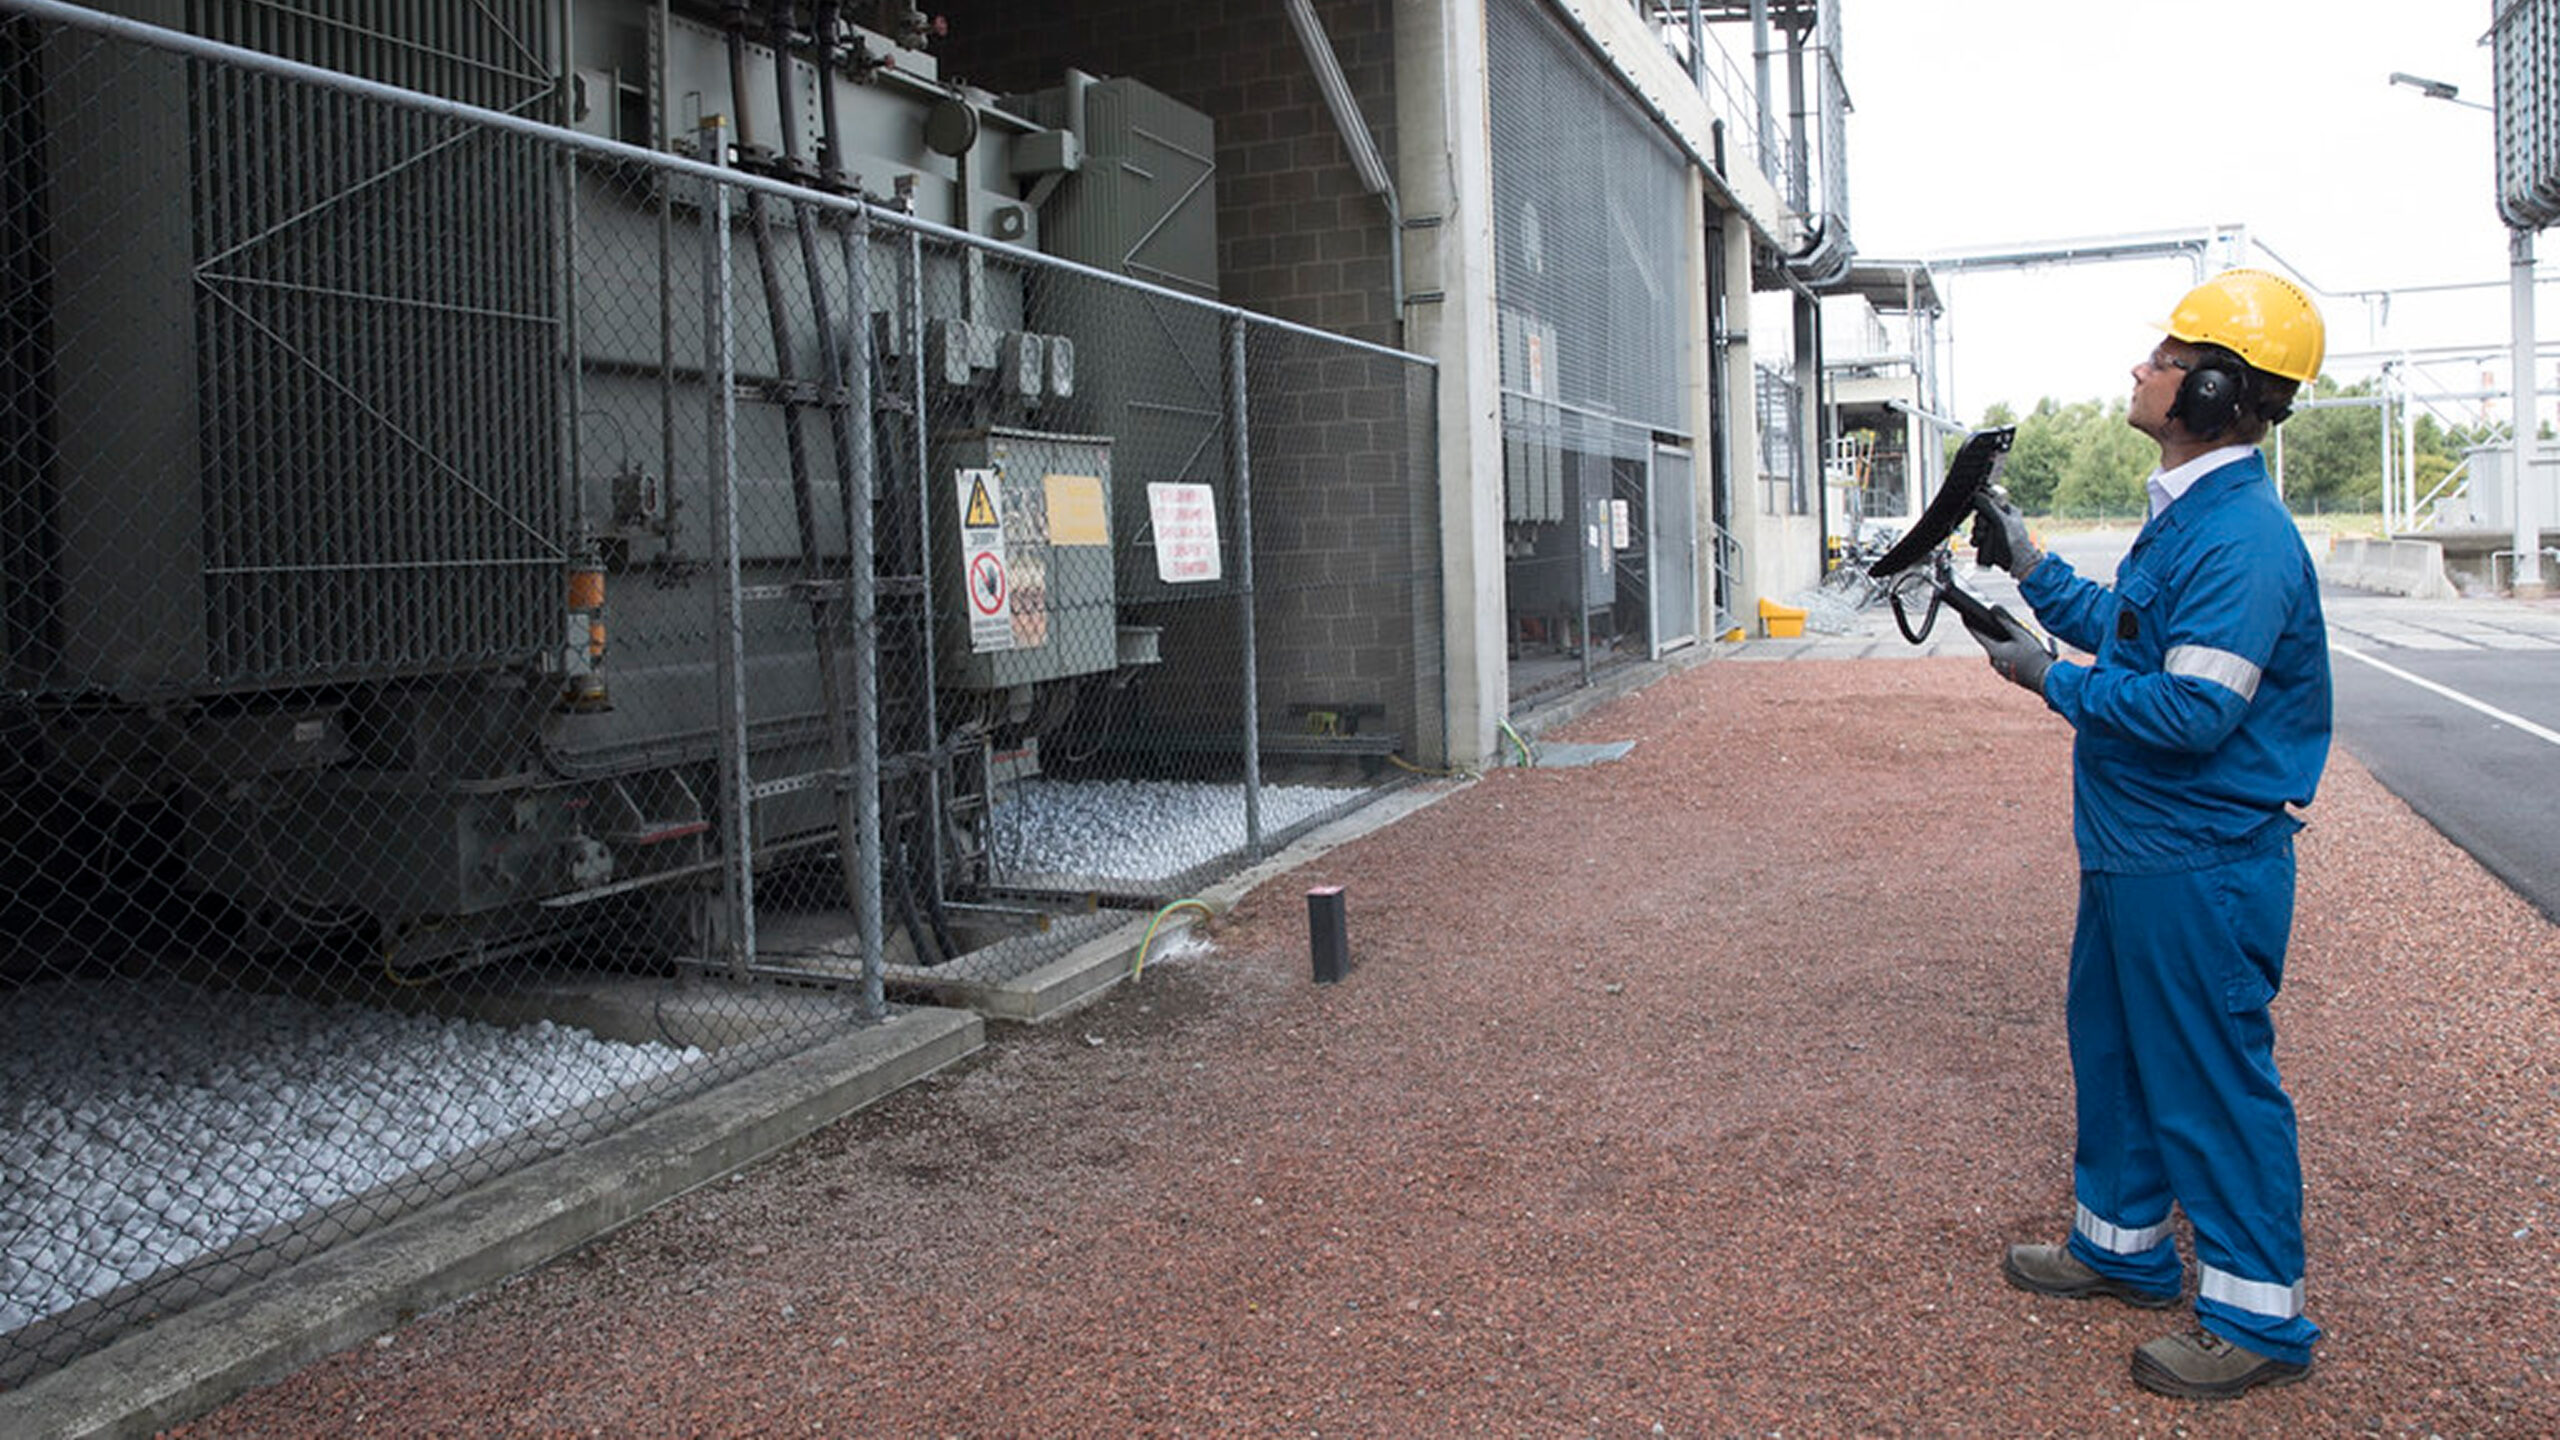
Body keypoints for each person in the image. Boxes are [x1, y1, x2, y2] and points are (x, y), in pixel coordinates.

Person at [1965, 267, 2331, 1400]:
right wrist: (2031, 570)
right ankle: (2120, 1249)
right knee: (2118, 1052)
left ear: (2212, 391)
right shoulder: (2193, 517)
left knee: (2211, 1081)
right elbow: (2134, 637)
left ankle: (2256, 1320)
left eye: (2164, 359)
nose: (2140, 368)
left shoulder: (2242, 540)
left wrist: (2050, 681)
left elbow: (2192, 710)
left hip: (2198, 860)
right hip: (2140, 849)